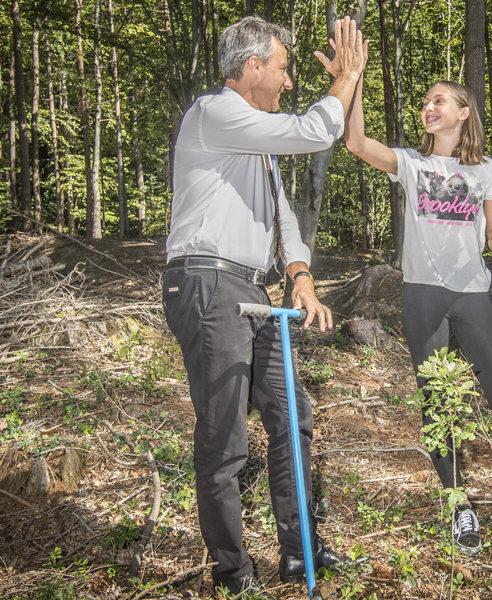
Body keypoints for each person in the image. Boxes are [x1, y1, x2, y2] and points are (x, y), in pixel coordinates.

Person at [162, 16, 365, 598]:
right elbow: (316, 129)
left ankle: (299, 552)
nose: (289, 79)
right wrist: (347, 75)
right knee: (225, 442)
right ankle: (234, 575)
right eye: (282, 67)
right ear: (252, 67)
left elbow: (283, 219)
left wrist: (300, 274)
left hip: (252, 292)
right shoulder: (214, 113)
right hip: (206, 286)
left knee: (291, 418)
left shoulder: (253, 142)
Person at [345, 72, 492, 556]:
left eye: (439, 101)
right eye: (425, 101)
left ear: (463, 112)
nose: (428, 107)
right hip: (423, 297)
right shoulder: (411, 164)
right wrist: (355, 79)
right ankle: (459, 506)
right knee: (438, 408)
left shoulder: (487, 170)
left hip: (473, 295)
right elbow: (355, 142)